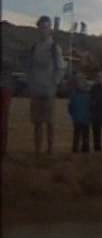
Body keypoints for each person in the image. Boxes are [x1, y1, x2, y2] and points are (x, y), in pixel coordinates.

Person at [26, 15, 65, 154]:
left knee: (50, 122)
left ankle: (50, 149)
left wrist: (54, 84)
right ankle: (37, 150)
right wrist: (30, 83)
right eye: (41, 27)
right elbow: (29, 67)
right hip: (36, 89)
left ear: (49, 30)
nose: (43, 30)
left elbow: (61, 67)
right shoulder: (35, 47)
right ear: (38, 29)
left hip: (49, 90)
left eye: (46, 27)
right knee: (37, 123)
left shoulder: (55, 47)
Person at [68, 74, 92, 153]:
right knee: (76, 137)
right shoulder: (74, 94)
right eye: (79, 81)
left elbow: (91, 106)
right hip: (77, 119)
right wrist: (73, 116)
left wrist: (89, 116)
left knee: (85, 138)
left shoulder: (88, 94)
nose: (80, 83)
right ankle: (75, 151)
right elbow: (70, 107)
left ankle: (85, 151)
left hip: (85, 119)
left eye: (82, 81)